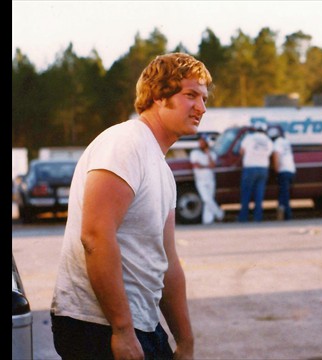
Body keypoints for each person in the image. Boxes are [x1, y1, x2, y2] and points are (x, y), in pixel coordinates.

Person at [50, 52, 212, 360]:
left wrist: (186, 342)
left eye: (204, 99)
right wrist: (122, 330)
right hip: (97, 326)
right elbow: (96, 235)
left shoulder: (162, 169)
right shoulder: (126, 143)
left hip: (141, 324)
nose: (201, 108)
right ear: (158, 95)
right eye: (191, 95)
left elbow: (168, 263)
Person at [237, 121, 274, 222]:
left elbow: (241, 151)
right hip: (263, 168)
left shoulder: (249, 138)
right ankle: (258, 218)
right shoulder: (268, 140)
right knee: (259, 194)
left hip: (250, 168)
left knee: (246, 194)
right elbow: (270, 153)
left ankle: (243, 217)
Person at [189, 134, 224, 224]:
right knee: (206, 199)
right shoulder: (194, 153)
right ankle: (219, 214)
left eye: (203, 141)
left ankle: (207, 221)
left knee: (209, 200)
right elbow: (196, 165)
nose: (201, 143)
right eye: (200, 141)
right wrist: (207, 166)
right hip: (200, 180)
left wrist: (208, 154)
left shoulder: (212, 153)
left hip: (210, 179)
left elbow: (212, 165)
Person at [267, 126, 295, 220]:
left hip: (283, 170)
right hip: (291, 170)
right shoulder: (285, 142)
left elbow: (276, 155)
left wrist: (276, 169)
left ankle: (287, 215)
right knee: (284, 193)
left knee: (284, 194)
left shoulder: (277, 143)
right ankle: (282, 214)